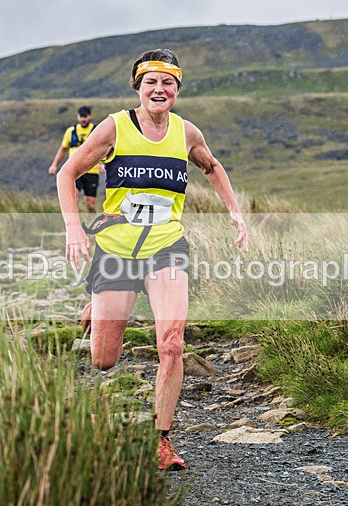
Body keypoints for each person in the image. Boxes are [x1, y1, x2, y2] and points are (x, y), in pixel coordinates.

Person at [56, 49, 249, 471]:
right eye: (151, 83)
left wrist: (235, 212)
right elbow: (66, 174)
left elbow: (212, 167)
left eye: (168, 83)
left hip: (166, 247)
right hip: (118, 250)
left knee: (172, 344)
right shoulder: (114, 127)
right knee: (104, 359)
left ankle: (162, 440)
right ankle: (95, 305)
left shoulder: (187, 133)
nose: (159, 90)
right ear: (138, 88)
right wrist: (74, 229)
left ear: (177, 89)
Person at [49, 106, 102, 212]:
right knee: (74, 197)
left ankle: (93, 224)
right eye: (81, 116)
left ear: (90, 116)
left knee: (90, 204)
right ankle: (73, 225)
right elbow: (63, 149)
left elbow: (104, 149)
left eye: (85, 116)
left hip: (92, 171)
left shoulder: (97, 130)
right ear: (77, 117)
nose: (83, 119)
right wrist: (54, 164)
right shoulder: (71, 131)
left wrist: (104, 164)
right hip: (75, 170)